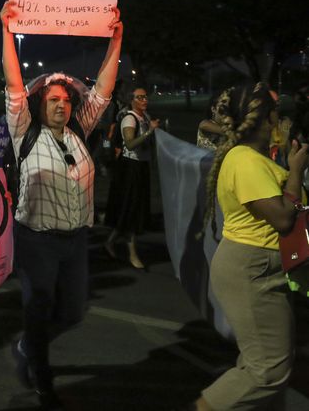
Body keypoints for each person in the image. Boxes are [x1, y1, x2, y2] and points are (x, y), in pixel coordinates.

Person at [0, 0, 123, 410]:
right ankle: (42, 376)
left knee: (72, 312)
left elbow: (103, 91)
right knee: (38, 309)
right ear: (41, 104)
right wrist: (6, 31)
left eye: (66, 100)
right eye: (53, 99)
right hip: (36, 240)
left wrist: (115, 41)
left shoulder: (78, 132)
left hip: (74, 240)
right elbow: (13, 86)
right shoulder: (25, 133)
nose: (61, 105)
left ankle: (26, 349)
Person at [182, 83, 307, 410]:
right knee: (268, 370)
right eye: (277, 114)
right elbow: (282, 218)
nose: (282, 122)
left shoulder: (250, 158)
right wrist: (296, 171)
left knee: (261, 361)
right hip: (252, 270)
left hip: (258, 268)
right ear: (266, 120)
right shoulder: (245, 161)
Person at [103, 86, 159, 270]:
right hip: (130, 168)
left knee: (133, 209)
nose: (145, 100)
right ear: (131, 100)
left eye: (145, 96)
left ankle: (110, 242)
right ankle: (132, 254)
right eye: (140, 97)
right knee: (132, 209)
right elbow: (130, 143)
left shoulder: (146, 117)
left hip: (141, 166)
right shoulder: (129, 118)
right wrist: (149, 132)